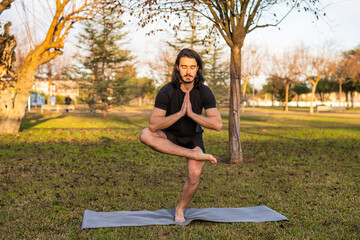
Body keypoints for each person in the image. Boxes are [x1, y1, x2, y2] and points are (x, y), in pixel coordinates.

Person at [139, 48, 222, 222]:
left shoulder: (204, 91)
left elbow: (217, 124)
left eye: (192, 67)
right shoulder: (166, 91)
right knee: (145, 135)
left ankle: (180, 209)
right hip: (169, 136)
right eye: (184, 66)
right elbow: (153, 125)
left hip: (193, 137)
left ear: (198, 68)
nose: (188, 71)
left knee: (195, 174)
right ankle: (193, 154)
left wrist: (192, 114)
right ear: (177, 68)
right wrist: (179, 114)